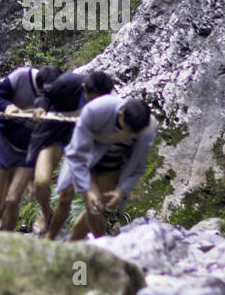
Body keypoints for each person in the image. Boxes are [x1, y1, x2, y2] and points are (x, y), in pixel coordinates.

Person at [49, 95, 156, 240]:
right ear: (120, 116)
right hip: (85, 157)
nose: (129, 135)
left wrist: (121, 190)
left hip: (111, 165)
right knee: (65, 197)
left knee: (95, 208)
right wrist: (87, 190)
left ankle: (74, 245)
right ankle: (49, 239)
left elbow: (138, 166)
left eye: (134, 133)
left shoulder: (146, 129)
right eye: (128, 130)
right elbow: (76, 154)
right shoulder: (98, 110)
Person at [29, 69, 115, 234]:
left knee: (66, 195)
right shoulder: (68, 82)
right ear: (84, 88)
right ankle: (46, 213)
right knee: (41, 182)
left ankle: (55, 236)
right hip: (56, 133)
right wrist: (41, 108)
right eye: (92, 98)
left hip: (80, 142)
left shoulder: (110, 101)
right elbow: (45, 95)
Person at [0, 64, 60, 230]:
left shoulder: (57, 91)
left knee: (12, 200)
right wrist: (7, 106)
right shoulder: (20, 77)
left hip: (29, 151)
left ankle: (7, 238)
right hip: (4, 142)